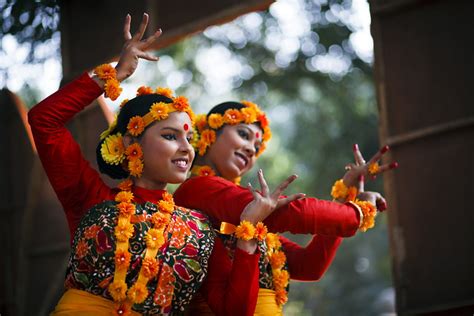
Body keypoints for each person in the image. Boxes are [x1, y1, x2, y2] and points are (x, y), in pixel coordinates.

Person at [28, 14, 297, 315]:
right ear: (131, 145)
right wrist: (113, 77)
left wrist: (248, 235)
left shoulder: (200, 228)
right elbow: (43, 121)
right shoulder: (90, 197)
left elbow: (234, 310)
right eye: (170, 136)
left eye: (190, 140)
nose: (186, 149)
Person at [173, 101, 397, 313]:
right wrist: (356, 212)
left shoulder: (247, 218)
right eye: (243, 134)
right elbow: (288, 212)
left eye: (257, 146)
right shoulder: (198, 188)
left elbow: (310, 265)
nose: (252, 149)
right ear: (208, 136)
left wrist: (345, 197)